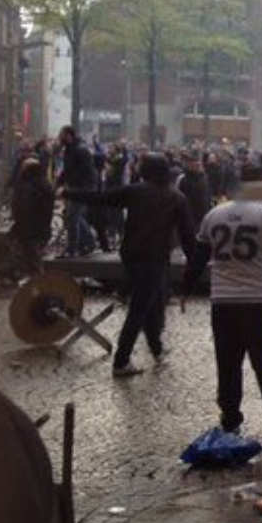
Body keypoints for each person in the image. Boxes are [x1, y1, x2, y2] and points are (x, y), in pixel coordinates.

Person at [184, 164, 262, 437]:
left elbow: (199, 256)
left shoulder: (214, 214)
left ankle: (230, 420)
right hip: (258, 300)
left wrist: (186, 289)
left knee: (227, 363)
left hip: (222, 302)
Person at [61, 152, 196, 376]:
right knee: (140, 309)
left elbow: (99, 197)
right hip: (154, 258)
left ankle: (157, 349)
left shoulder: (135, 191)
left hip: (132, 255)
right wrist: (193, 268)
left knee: (150, 305)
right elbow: (188, 237)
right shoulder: (177, 198)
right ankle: (121, 361)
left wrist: (68, 192)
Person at [55, 125, 98, 257]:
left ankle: (72, 250)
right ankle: (89, 242)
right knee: (74, 217)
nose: (59, 138)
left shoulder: (80, 150)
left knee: (71, 218)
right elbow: (68, 169)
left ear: (69, 135)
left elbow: (89, 171)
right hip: (74, 188)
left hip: (80, 189)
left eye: (61, 135)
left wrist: (88, 189)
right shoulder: (69, 149)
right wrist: (59, 182)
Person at [8, 158, 55, 272]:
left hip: (30, 228)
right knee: (32, 255)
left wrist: (18, 221)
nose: (21, 169)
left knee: (32, 258)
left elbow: (26, 208)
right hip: (40, 227)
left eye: (24, 167)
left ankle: (39, 284)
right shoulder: (43, 182)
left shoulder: (30, 185)